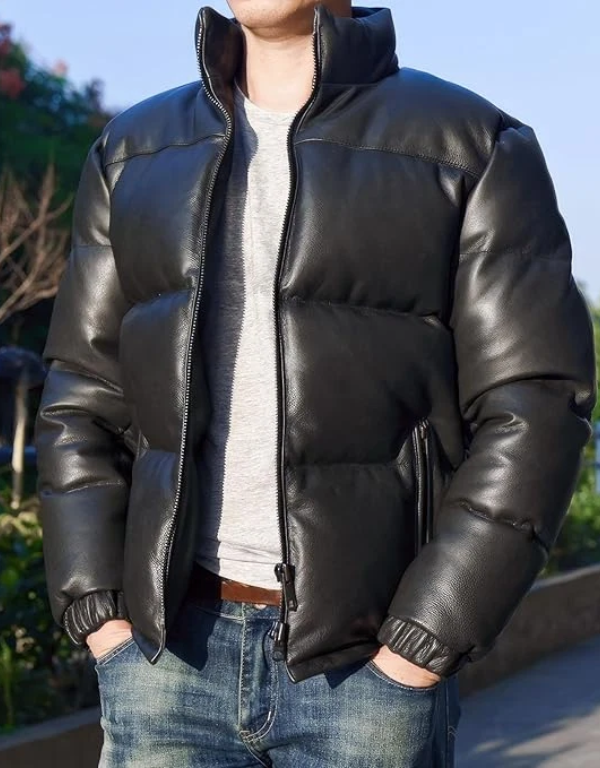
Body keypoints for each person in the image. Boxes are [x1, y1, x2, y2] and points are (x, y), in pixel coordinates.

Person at [33, 2, 596, 766]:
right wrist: (102, 618)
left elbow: (535, 406)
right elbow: (81, 396)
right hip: (165, 668)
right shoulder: (132, 151)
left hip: (368, 678)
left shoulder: (472, 146)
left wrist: (423, 643)